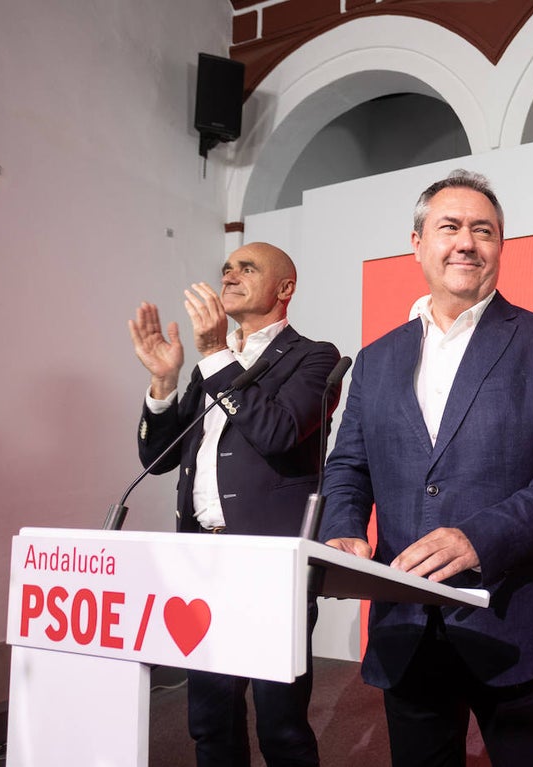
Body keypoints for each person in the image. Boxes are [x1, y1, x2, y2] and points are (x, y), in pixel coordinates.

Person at [321, 170, 533, 767]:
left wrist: (480, 538)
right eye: (449, 227)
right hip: (407, 625)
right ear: (418, 242)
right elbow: (349, 465)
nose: (467, 243)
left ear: (501, 246)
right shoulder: (376, 359)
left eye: (485, 230)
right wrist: (342, 530)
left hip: (515, 619)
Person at [129, 241, 340, 767]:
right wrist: (164, 380)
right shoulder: (209, 369)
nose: (230, 275)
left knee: (281, 727)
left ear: (284, 288)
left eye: (248, 268)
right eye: (226, 267)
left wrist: (216, 356)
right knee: (210, 722)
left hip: (269, 564)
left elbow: (278, 431)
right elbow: (158, 460)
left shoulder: (315, 357)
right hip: (203, 562)